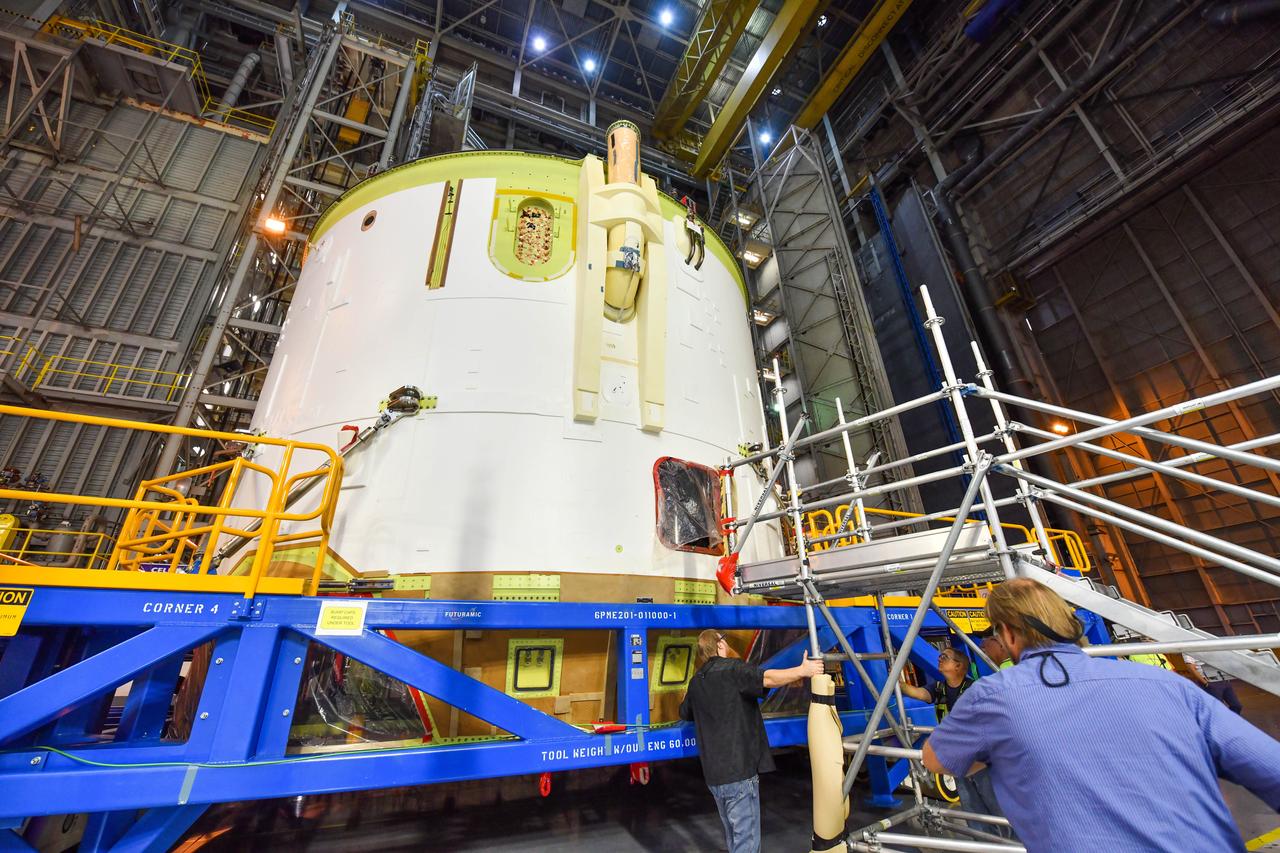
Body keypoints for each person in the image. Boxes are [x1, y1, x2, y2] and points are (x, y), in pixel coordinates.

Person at [922, 578, 1280, 852]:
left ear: (1009, 634)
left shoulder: (995, 695)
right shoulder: (1169, 686)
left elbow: (935, 759)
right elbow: (1271, 768)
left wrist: (993, 756)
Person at [679, 629, 824, 853]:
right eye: (724, 640)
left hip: (714, 777)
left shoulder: (696, 682)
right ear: (719, 646)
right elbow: (768, 678)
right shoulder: (734, 669)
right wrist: (803, 670)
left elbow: (685, 712)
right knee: (745, 842)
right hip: (739, 772)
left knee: (734, 838)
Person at [899, 647, 1011, 838]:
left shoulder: (975, 689)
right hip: (956, 754)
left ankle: (1013, 843)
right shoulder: (939, 687)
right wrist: (896, 679)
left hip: (979, 756)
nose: (940, 660)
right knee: (970, 804)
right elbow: (919, 694)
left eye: (945, 657)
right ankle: (983, 844)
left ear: (958, 666)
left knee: (994, 801)